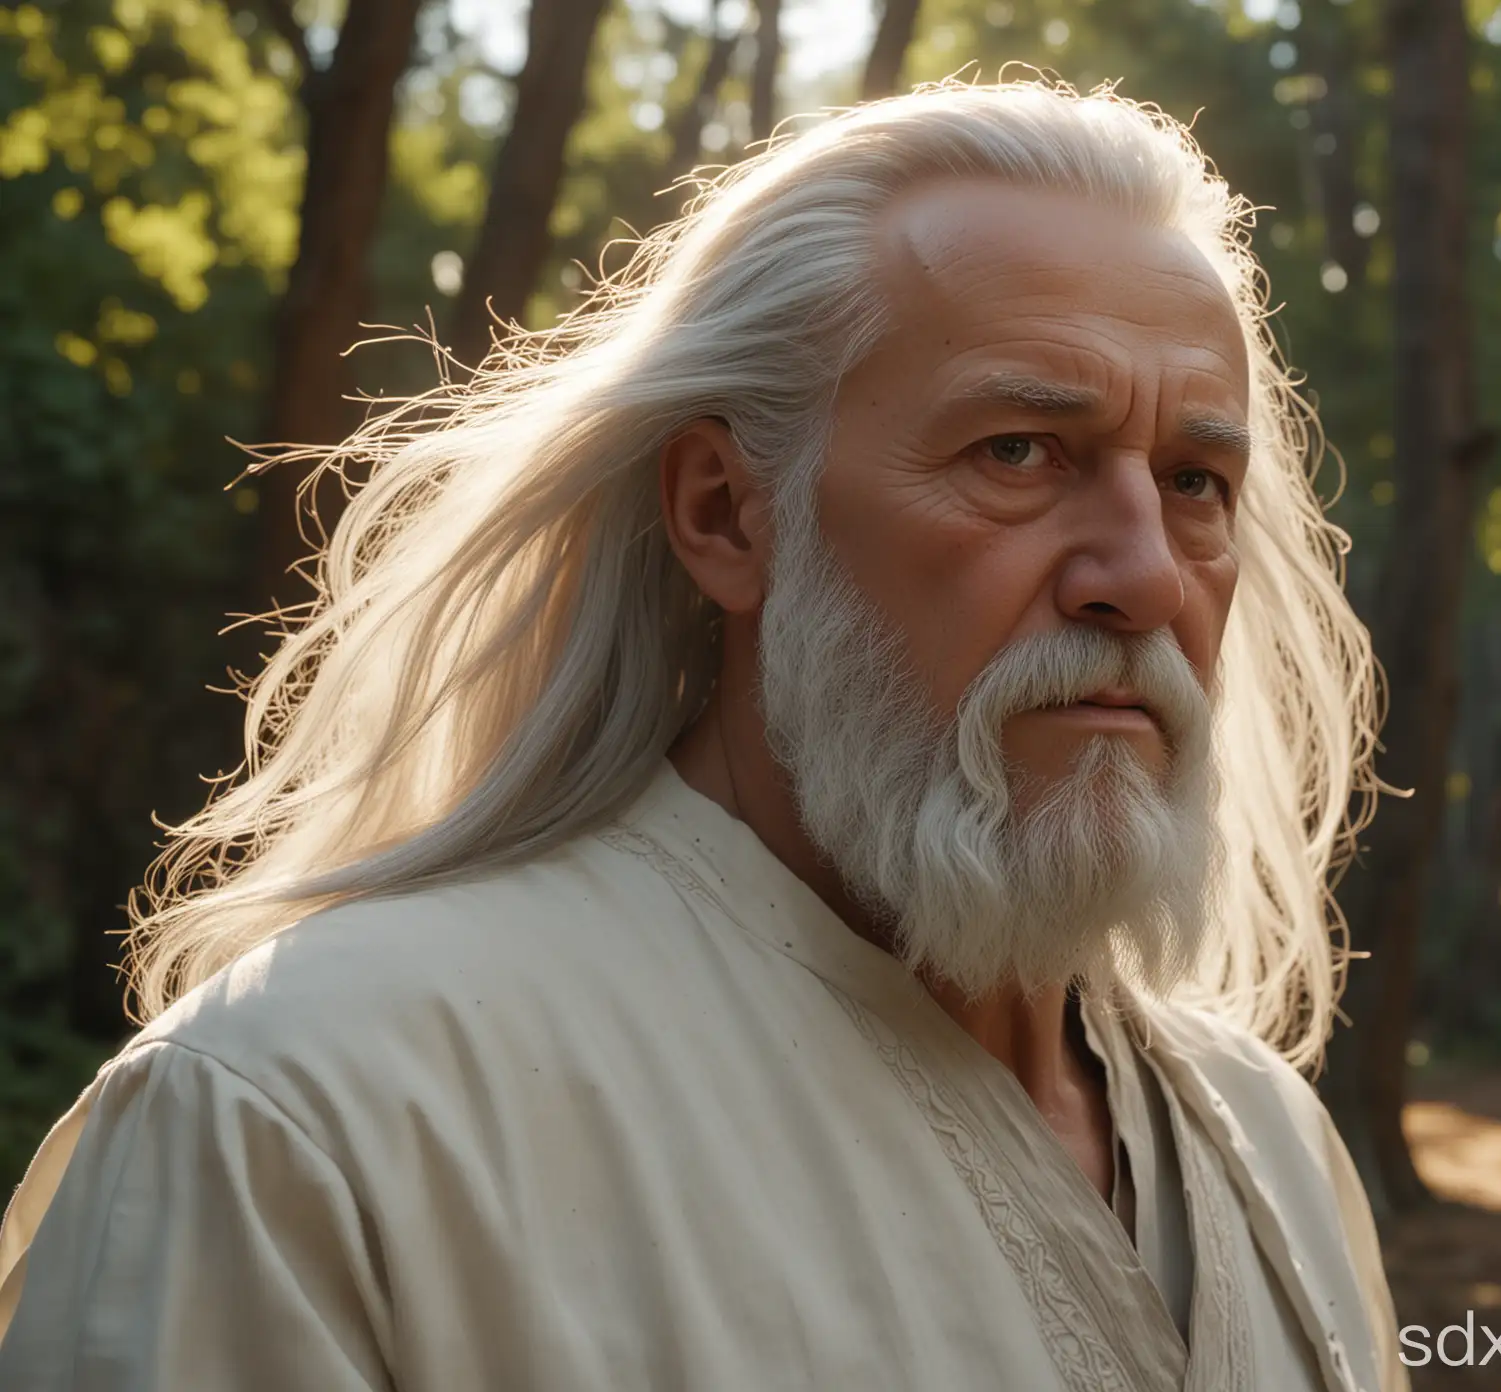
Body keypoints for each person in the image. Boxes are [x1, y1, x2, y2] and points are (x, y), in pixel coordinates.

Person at [0, 78, 1403, 1391]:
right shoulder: (313, 1115)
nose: (1146, 577)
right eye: (1017, 454)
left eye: (1196, 480)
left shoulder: (1270, 1144)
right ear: (729, 514)